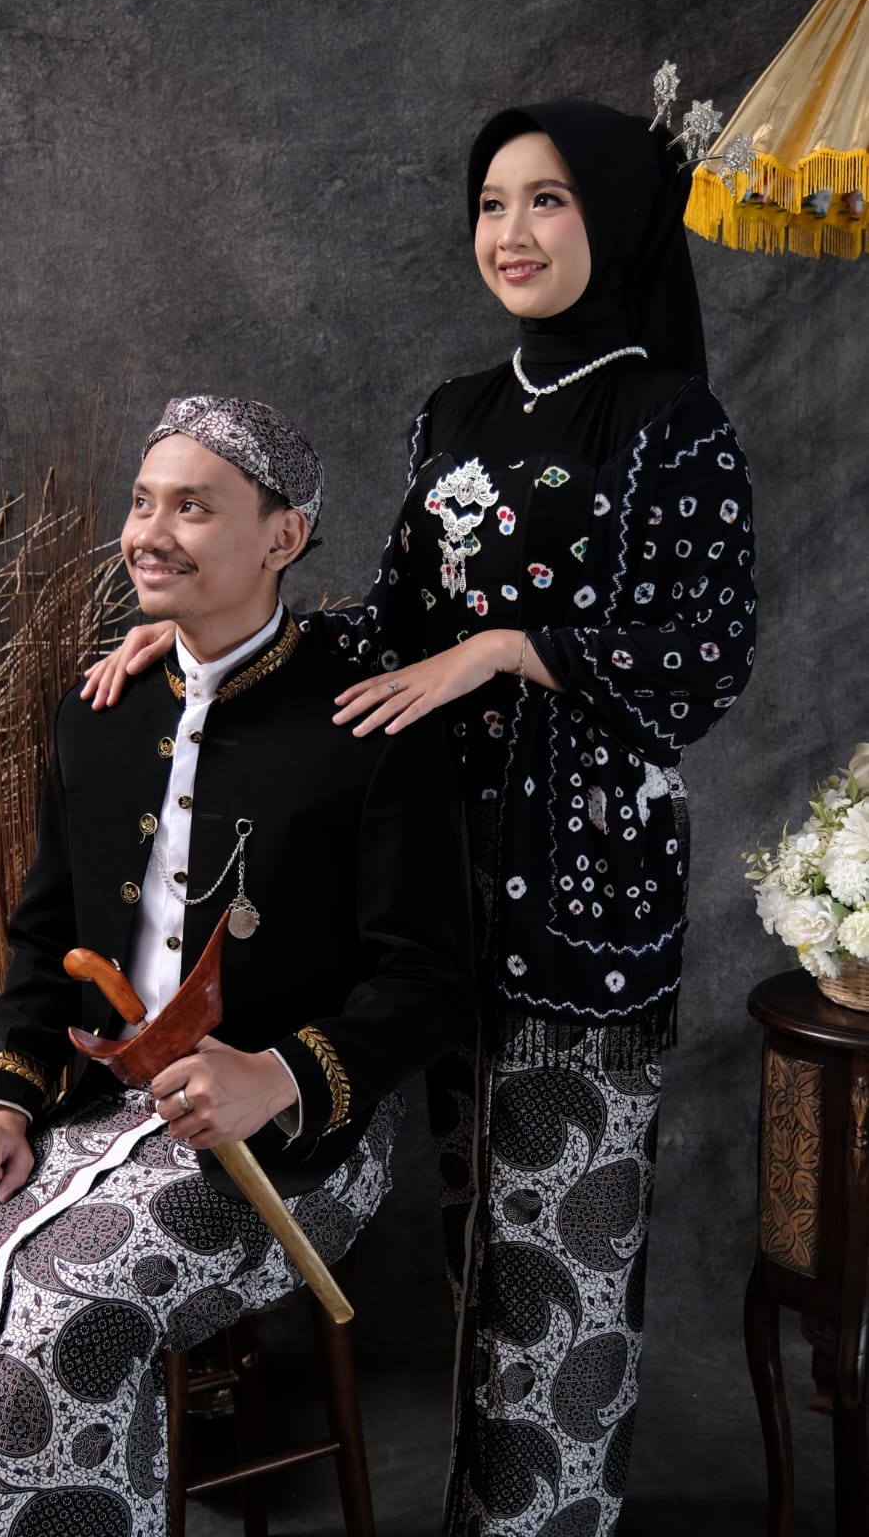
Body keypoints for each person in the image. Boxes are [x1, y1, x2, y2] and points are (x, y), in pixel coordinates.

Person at [84, 102, 756, 1536]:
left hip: (583, 892)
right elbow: (383, 628)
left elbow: (706, 651)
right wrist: (208, 628)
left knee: (562, 1262)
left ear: (617, 218)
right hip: (446, 878)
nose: (510, 232)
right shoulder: (454, 414)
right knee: (476, 1250)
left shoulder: (668, 422)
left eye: (548, 201)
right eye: (491, 203)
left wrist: (508, 649)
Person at [0, 395, 474, 1537]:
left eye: (193, 507)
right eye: (143, 503)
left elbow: (431, 984)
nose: (149, 532)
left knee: (53, 1329)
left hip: (297, 1146)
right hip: (101, 1114)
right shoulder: (97, 712)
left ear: (283, 536)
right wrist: (0, 1105)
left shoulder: (369, 724)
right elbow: (42, 944)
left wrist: (274, 1076)